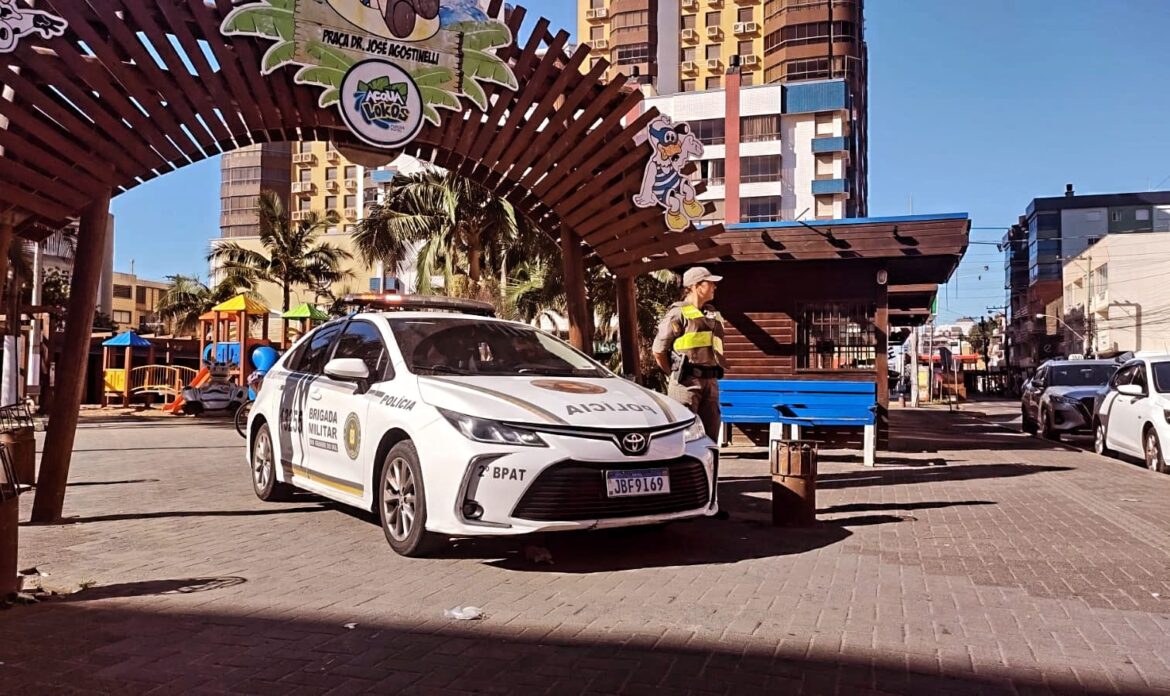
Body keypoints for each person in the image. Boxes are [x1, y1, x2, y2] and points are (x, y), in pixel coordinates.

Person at [653, 267, 727, 442]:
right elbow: (658, 351)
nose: (714, 287)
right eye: (710, 283)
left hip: (711, 382)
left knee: (710, 438)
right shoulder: (678, 314)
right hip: (686, 383)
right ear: (694, 286)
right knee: (684, 437)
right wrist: (674, 374)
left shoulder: (712, 314)